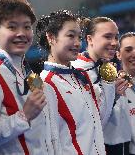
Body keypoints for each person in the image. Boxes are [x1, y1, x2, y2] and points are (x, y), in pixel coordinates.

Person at [0, 0, 56, 154]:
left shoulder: (28, 72)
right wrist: (24, 116)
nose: (21, 33)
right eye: (12, 27)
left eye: (27, 27)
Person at [37, 10, 115, 154]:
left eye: (79, 37)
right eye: (71, 36)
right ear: (51, 37)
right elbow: (49, 143)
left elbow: (100, 121)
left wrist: (109, 85)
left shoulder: (81, 76)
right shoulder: (46, 83)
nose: (78, 43)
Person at [71, 16, 130, 155]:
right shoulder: (77, 69)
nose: (114, 42)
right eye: (108, 37)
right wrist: (112, 92)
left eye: (116, 37)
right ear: (90, 39)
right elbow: (92, 122)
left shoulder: (106, 67)